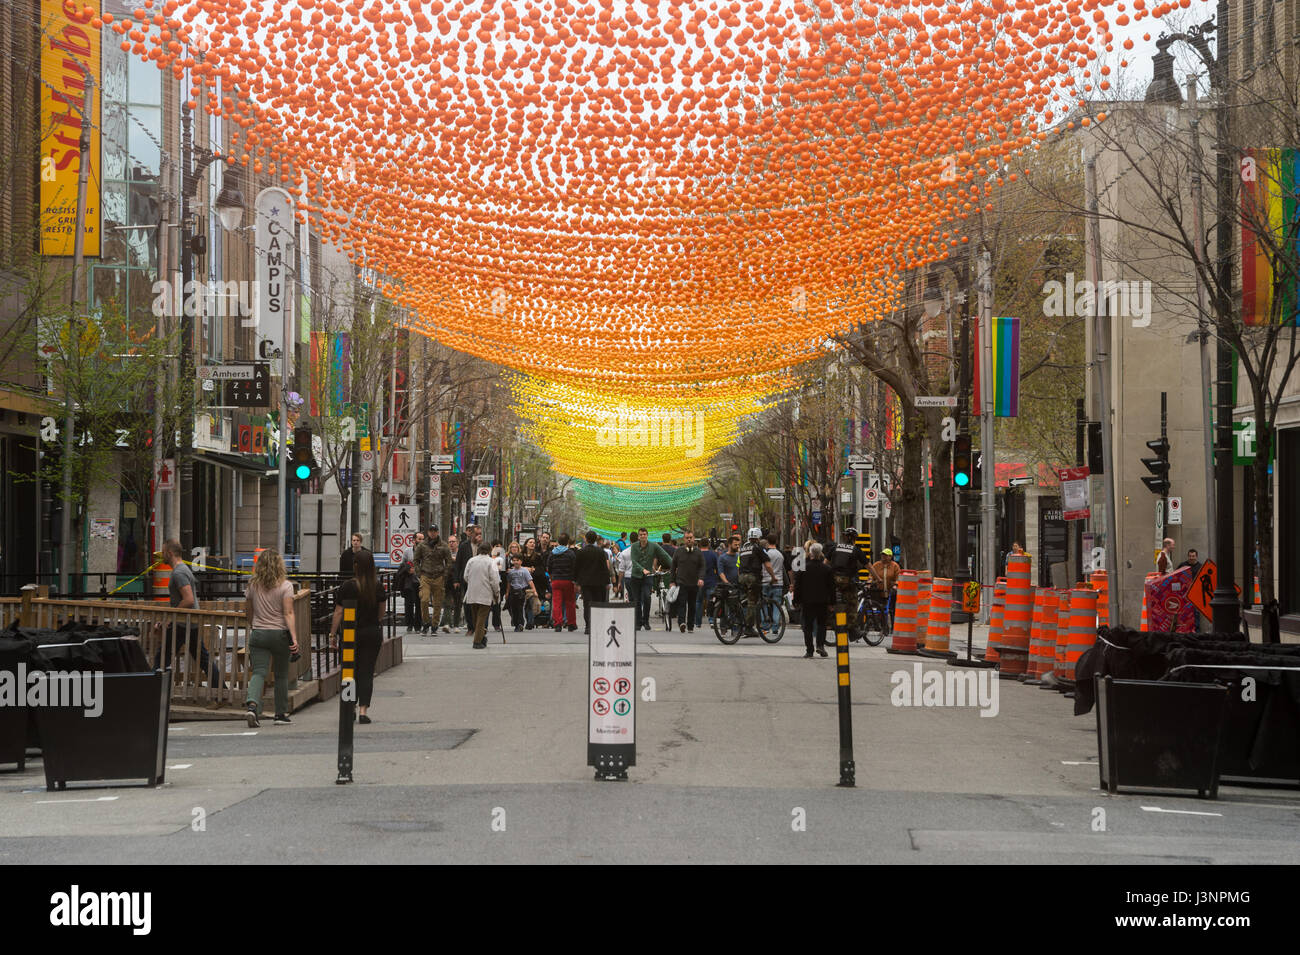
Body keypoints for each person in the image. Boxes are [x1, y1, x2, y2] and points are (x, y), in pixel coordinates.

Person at [151, 539, 222, 687]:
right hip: (188, 622)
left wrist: (169, 619)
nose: (161, 555)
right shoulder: (182, 570)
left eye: (163, 552)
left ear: (169, 553)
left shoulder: (179, 573)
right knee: (202, 659)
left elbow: (188, 599)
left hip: (182, 623)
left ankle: (152, 693)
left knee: (162, 658)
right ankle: (222, 692)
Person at [328, 548, 385, 723]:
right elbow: (381, 611)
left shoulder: (348, 586)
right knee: (366, 671)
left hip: (351, 634)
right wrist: (374, 621)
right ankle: (363, 711)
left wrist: (332, 634)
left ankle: (349, 707)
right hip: (372, 633)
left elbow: (338, 612)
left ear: (356, 566)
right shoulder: (377, 586)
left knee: (349, 671)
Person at [243, 548, 299, 726]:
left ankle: (252, 706)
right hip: (280, 634)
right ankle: (280, 713)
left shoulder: (253, 584)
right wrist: (294, 637)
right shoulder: (286, 586)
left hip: (259, 633)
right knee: (281, 674)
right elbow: (288, 613)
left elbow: (248, 610)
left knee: (259, 672)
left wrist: (254, 625)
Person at [793, 543, 835, 658]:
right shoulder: (827, 569)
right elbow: (832, 587)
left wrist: (796, 600)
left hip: (807, 601)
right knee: (822, 624)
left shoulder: (803, 568)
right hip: (822, 601)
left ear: (810, 553)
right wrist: (832, 602)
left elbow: (798, 586)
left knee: (808, 626)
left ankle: (809, 650)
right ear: (820, 553)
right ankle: (820, 645)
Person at [627, 527, 672, 631]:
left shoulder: (653, 546)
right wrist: (643, 569)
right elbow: (634, 561)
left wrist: (674, 565)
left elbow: (665, 556)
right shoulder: (634, 546)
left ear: (647, 535)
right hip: (636, 576)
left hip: (648, 577)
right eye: (641, 534)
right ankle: (638, 622)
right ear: (638, 536)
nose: (643, 536)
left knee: (647, 597)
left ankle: (646, 621)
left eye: (644, 534)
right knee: (637, 600)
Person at [412, 526, 451, 635]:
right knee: (424, 600)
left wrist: (445, 575)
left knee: (437, 603)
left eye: (435, 531)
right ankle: (425, 623)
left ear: (437, 532)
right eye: (431, 531)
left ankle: (434, 625)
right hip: (425, 575)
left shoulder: (443, 545)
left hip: (439, 576)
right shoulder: (422, 545)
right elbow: (416, 560)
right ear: (428, 532)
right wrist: (419, 573)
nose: (433, 533)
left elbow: (448, 561)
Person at [463, 543, 500, 649]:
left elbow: (466, 576)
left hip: (472, 593)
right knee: (481, 618)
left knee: (476, 618)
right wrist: (496, 593)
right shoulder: (491, 562)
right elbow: (495, 580)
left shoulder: (471, 561)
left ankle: (481, 636)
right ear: (489, 551)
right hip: (485, 594)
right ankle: (477, 641)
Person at [575, 530, 612, 634]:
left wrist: (576, 582)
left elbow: (577, 568)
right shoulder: (601, 552)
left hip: (586, 583)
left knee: (587, 604)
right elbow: (604, 568)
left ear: (585, 539)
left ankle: (588, 626)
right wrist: (607, 582)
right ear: (596, 539)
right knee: (598, 604)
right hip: (599, 583)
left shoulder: (581, 552)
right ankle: (597, 625)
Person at [738, 528, 773, 635]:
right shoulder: (758, 548)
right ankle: (749, 628)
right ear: (758, 538)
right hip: (753, 577)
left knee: (744, 600)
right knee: (752, 602)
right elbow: (767, 564)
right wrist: (773, 577)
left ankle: (739, 619)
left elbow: (738, 564)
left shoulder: (743, 548)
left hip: (742, 577)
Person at [670, 530, 704, 633]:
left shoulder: (698, 552)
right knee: (682, 604)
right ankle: (681, 623)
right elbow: (673, 566)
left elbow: (702, 566)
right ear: (684, 539)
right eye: (687, 538)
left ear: (694, 539)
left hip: (694, 583)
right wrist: (672, 581)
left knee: (692, 605)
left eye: (691, 537)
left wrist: (701, 578)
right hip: (682, 582)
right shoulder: (678, 551)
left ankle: (690, 626)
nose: (689, 539)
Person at [548, 533, 579, 631]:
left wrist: (552, 576)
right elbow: (575, 567)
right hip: (568, 580)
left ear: (558, 541)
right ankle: (571, 623)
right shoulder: (570, 553)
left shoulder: (552, 553)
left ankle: (557, 624)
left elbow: (549, 567)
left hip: (556, 580)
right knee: (570, 602)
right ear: (567, 542)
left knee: (556, 603)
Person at [456, 524, 483, 633]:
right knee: (468, 602)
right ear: (471, 534)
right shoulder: (464, 545)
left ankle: (480, 626)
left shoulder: (483, 546)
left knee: (480, 603)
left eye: (480, 534)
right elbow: (458, 563)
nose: (478, 536)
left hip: (481, 578)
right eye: (476, 534)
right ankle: (470, 626)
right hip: (468, 578)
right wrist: (456, 580)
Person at [397, 532, 422, 633]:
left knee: (420, 603)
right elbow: (402, 564)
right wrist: (408, 569)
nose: (421, 541)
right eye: (419, 539)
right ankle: (409, 625)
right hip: (410, 581)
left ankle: (418, 626)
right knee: (409, 603)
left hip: (421, 581)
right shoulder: (408, 551)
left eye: (422, 539)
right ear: (414, 540)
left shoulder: (425, 551)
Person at [505, 554, 537, 631]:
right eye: (514, 560)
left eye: (517, 560)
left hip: (522, 591)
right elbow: (509, 583)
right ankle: (516, 624)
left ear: (521, 562)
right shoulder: (511, 572)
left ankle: (520, 624)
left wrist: (534, 591)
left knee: (520, 608)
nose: (515, 562)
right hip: (513, 591)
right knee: (513, 608)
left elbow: (530, 581)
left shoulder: (524, 571)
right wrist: (507, 593)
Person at [871, 546, 902, 624]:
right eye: (882, 555)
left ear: (890, 556)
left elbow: (898, 578)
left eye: (885, 555)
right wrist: (869, 582)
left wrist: (896, 585)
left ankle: (892, 625)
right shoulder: (876, 565)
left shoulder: (895, 566)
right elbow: (871, 575)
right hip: (879, 591)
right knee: (879, 608)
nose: (883, 557)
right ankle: (880, 624)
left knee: (891, 609)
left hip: (891, 591)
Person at [761, 533, 785, 629]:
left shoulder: (764, 554)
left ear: (767, 541)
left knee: (763, 604)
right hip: (778, 582)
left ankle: (765, 624)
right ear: (777, 541)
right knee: (776, 605)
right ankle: (775, 626)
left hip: (765, 581)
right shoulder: (780, 555)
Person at [440, 535, 462, 632]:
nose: (451, 543)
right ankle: (447, 623)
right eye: (450, 542)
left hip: (457, 580)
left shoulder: (460, 553)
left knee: (457, 603)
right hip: (447, 580)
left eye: (453, 541)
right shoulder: (445, 553)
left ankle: (456, 624)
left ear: (457, 543)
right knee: (447, 603)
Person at [697, 537, 719, 628]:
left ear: (699, 545)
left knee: (699, 601)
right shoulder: (713, 554)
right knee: (711, 601)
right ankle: (711, 620)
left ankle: (698, 622)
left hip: (699, 581)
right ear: (708, 545)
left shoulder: (697, 554)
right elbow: (717, 568)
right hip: (711, 581)